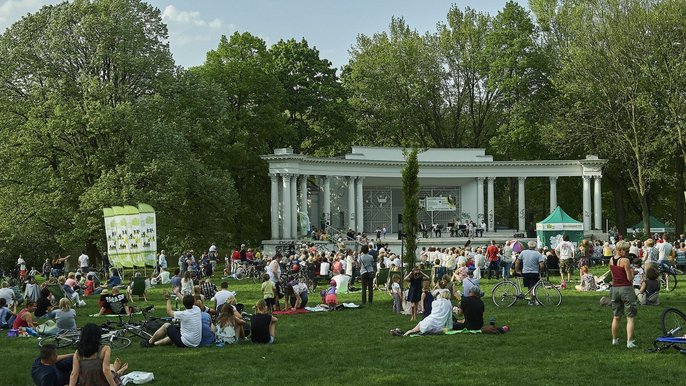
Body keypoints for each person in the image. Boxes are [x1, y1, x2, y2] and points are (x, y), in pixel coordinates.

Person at [609, 240, 637, 348]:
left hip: (615, 289)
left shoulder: (611, 260)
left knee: (616, 316)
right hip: (626, 289)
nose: (628, 252)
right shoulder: (625, 260)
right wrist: (633, 273)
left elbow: (613, 275)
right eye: (626, 250)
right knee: (630, 317)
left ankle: (614, 340)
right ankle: (630, 342)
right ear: (620, 250)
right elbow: (629, 278)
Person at [517, 241, 545, 305]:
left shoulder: (523, 252)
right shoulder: (538, 254)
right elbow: (542, 265)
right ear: (535, 246)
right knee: (533, 287)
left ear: (528, 245)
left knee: (529, 287)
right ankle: (532, 301)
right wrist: (541, 271)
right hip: (534, 272)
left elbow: (517, 262)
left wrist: (517, 270)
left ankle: (532, 300)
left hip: (525, 272)